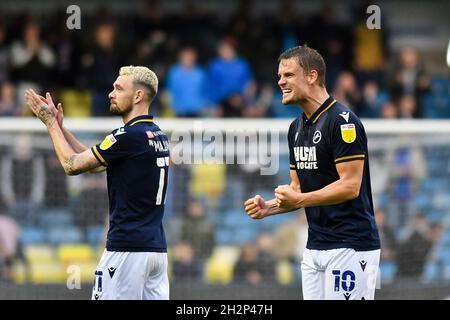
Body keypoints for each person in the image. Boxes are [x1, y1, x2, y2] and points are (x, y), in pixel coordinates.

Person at [244, 45, 380, 300]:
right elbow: (297, 190)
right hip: (315, 245)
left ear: (312, 76)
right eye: (279, 76)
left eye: (288, 75)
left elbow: (350, 186)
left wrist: (300, 200)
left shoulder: (343, 122)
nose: (280, 81)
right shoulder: (295, 128)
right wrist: (270, 208)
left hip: (351, 245)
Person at [25, 66, 170, 300]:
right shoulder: (155, 134)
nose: (111, 93)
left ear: (138, 96)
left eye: (118, 88)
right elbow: (99, 163)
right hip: (155, 252)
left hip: (126, 251)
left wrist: (51, 124)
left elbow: (72, 165)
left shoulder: (127, 136)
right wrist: (62, 129)